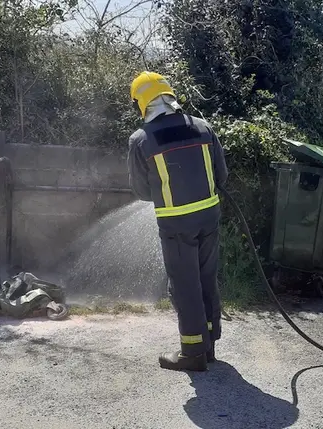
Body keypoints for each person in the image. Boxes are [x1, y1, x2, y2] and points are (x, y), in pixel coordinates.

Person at [126, 71, 228, 372]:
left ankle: (192, 352)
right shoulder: (203, 126)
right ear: (170, 95)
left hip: (176, 223)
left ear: (141, 104)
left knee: (185, 285)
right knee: (206, 277)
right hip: (210, 216)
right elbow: (221, 176)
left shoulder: (142, 140)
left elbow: (142, 191)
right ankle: (209, 343)